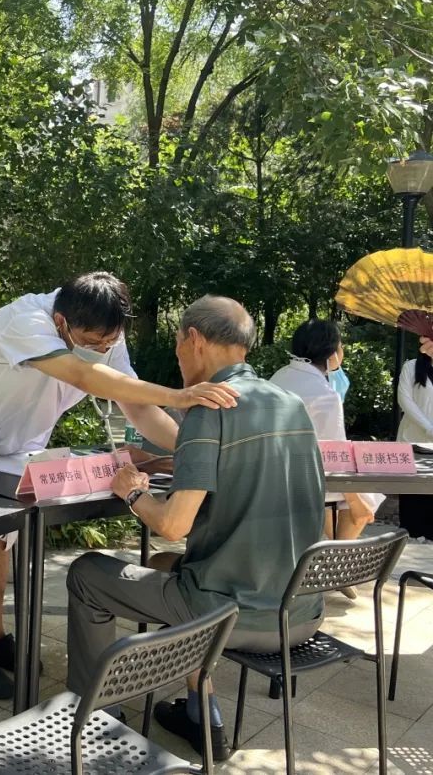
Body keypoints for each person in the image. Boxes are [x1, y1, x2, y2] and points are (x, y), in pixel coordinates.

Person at [0, 273, 240, 700]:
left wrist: (197, 448)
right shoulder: (25, 320)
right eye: (93, 343)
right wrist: (180, 396)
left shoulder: (107, 333)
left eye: (109, 343)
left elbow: (137, 407)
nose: (102, 350)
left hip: (19, 438)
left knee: (2, 536)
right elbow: (82, 376)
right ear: (61, 323)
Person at [66, 295, 325, 761]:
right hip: (299, 612)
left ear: (194, 339)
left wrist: (131, 491)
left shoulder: (209, 408)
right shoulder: (291, 403)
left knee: (87, 574)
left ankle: (94, 715)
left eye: (178, 347)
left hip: (233, 616)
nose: (178, 358)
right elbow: (246, 469)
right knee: (166, 565)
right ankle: (200, 711)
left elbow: (172, 523)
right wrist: (171, 461)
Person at [269, 319, 380, 554]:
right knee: (365, 499)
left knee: (341, 497)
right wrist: (356, 502)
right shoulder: (324, 395)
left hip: (273, 472)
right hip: (306, 480)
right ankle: (337, 560)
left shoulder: (279, 377)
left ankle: (333, 555)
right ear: (332, 353)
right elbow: (335, 456)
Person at [397, 335, 433, 539]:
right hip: (411, 443)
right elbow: (405, 400)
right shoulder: (411, 367)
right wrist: (429, 429)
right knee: (412, 496)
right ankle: (410, 536)